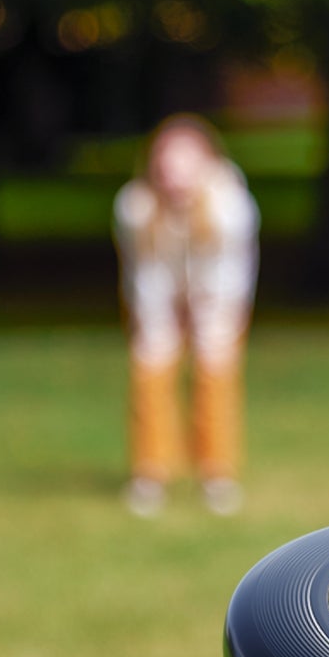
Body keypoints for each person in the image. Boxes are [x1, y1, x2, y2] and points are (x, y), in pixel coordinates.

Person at [113, 114, 260, 517]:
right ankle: (150, 473)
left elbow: (231, 273)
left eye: (185, 162)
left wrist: (207, 316)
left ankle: (217, 475)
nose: (174, 174)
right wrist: (160, 321)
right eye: (166, 163)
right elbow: (144, 273)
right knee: (150, 369)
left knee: (215, 374)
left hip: (218, 298)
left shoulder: (231, 206)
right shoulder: (135, 206)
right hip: (157, 297)